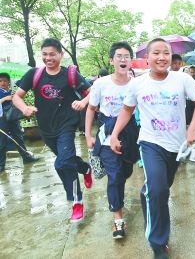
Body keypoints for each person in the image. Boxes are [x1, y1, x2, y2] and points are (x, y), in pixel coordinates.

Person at [110, 38, 195, 258]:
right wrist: (114, 134)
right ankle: (158, 242)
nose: (162, 57)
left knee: (160, 188)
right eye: (156, 53)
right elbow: (126, 110)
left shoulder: (183, 79)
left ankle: (148, 191)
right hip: (150, 143)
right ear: (146, 59)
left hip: (176, 146)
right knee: (159, 191)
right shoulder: (137, 84)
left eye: (166, 53)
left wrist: (192, 128)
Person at [12, 38, 92, 222]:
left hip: (66, 125)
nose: (48, 58)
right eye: (45, 54)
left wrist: (82, 102)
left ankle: (77, 202)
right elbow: (17, 96)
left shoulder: (70, 75)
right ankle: (85, 168)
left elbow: (91, 91)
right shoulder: (34, 74)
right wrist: (24, 108)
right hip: (46, 129)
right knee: (68, 160)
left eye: (52, 54)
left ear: (61, 55)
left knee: (62, 163)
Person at [85, 41, 139, 239]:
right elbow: (91, 109)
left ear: (130, 61)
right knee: (114, 176)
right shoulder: (100, 84)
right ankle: (118, 220)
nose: (123, 59)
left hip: (130, 135)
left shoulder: (137, 84)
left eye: (126, 56)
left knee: (125, 172)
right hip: (107, 136)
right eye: (119, 56)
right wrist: (88, 135)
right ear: (111, 60)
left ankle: (118, 193)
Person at [0, 73, 39, 172]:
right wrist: (4, 99)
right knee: (2, 142)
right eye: (0, 81)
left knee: (19, 137)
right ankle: (1, 164)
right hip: (1, 120)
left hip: (13, 118)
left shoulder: (11, 91)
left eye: (5, 81)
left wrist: (14, 98)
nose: (3, 83)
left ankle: (26, 157)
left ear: (9, 82)